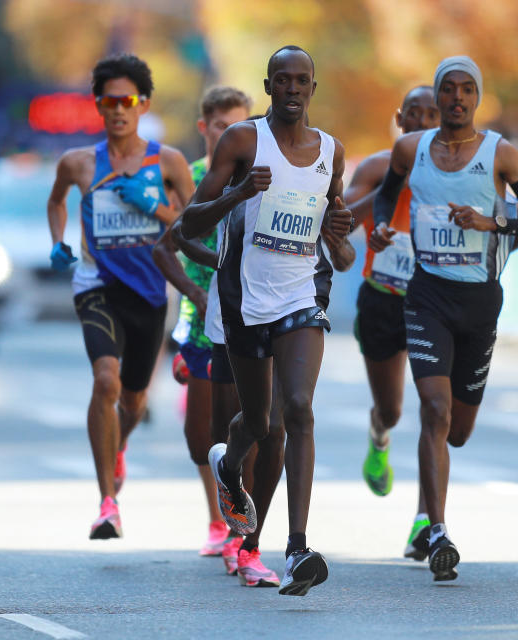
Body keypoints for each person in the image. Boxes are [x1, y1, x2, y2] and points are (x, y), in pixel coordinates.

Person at [369, 56, 518, 581]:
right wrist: (382, 227)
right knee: (434, 408)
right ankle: (437, 528)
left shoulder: (503, 154)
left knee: (458, 430)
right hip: (426, 295)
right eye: (447, 89)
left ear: (478, 98)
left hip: (479, 303)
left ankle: (433, 507)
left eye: (466, 89)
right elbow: (386, 198)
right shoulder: (412, 149)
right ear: (438, 95)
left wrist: (491, 221)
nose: (456, 98)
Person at [179, 45, 352, 596]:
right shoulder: (242, 142)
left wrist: (338, 226)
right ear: (270, 86)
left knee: (296, 412)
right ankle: (229, 468)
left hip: (301, 295)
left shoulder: (331, 151)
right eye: (284, 80)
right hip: (244, 299)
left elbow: (336, 230)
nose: (294, 89)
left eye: (303, 80)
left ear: (313, 88)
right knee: (257, 422)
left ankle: (298, 547)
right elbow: (188, 225)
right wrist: (235, 194)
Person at [47, 53, 195, 539]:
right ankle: (107, 502)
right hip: (97, 287)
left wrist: (151, 204)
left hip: (150, 291)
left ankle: (119, 445)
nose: (117, 110)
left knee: (132, 402)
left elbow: (195, 222)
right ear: (98, 106)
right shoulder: (79, 163)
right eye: (109, 101)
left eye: (127, 100)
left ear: (143, 104)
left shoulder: (167, 161)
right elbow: (56, 200)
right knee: (105, 381)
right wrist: (58, 240)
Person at [154, 86, 252, 558]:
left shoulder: (261, 176)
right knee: (200, 442)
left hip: (250, 318)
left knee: (246, 426)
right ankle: (219, 517)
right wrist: (195, 292)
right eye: (220, 125)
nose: (230, 133)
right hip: (199, 321)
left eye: (239, 124)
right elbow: (167, 245)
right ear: (204, 128)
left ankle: (239, 528)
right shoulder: (191, 178)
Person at [343, 86, 440, 561]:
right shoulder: (377, 168)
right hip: (383, 299)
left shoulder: (455, 173)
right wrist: (389, 191)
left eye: (434, 116)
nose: (423, 124)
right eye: (414, 116)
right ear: (399, 120)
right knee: (394, 410)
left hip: (435, 303)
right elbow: (337, 221)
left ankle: (427, 520)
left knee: (434, 408)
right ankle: (379, 433)